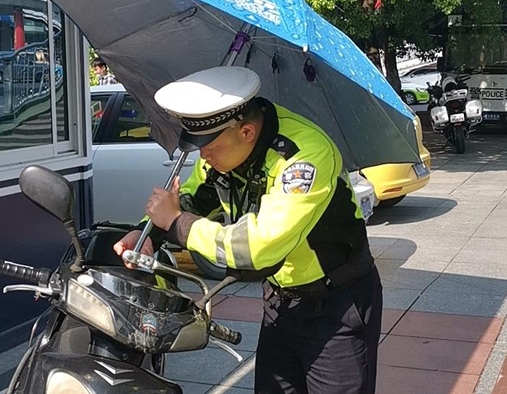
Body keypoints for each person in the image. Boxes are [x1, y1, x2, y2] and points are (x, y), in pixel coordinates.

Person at [114, 66, 383, 394]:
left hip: (336, 305)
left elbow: (257, 249)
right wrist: (148, 235)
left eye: (210, 147)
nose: (203, 156)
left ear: (246, 132)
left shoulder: (304, 156)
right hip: (281, 302)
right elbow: (192, 199)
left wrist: (175, 223)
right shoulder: (224, 149)